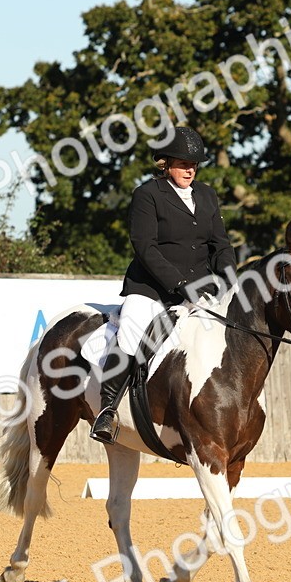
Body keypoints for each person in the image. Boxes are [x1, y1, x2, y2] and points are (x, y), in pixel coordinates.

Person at [90, 126, 237, 445]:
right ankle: (108, 409)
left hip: (199, 291)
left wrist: (229, 277)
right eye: (183, 162)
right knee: (130, 327)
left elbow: (219, 244)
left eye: (194, 164)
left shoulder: (207, 195)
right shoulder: (147, 195)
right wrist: (181, 284)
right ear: (165, 163)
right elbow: (145, 247)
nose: (190, 169)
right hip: (151, 290)